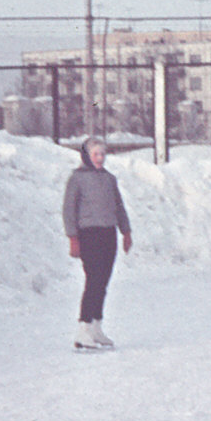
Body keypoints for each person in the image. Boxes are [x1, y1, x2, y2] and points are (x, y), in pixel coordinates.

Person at [61, 137, 133, 350]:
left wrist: (126, 231)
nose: (100, 158)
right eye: (95, 155)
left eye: (102, 154)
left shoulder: (109, 179)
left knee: (103, 280)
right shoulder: (77, 178)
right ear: (87, 156)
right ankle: (83, 328)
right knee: (93, 279)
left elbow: (119, 206)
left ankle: (96, 327)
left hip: (108, 233)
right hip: (88, 234)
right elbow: (68, 210)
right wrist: (73, 238)